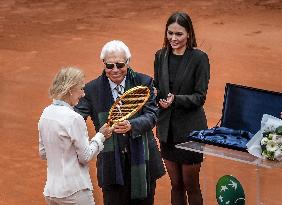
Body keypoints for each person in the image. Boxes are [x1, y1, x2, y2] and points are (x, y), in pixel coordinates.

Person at [74, 40, 165, 205]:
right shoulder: (92, 90)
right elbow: (75, 118)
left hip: (143, 162)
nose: (115, 70)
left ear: (128, 62)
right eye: (110, 66)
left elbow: (152, 115)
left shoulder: (144, 82)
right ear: (104, 64)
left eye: (120, 64)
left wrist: (133, 125)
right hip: (111, 165)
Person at [153, 12, 210, 205]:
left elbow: (199, 97)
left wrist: (175, 100)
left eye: (179, 34)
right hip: (167, 130)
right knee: (176, 184)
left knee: (191, 185)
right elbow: (159, 87)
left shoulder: (199, 58)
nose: (173, 38)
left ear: (188, 34)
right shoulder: (160, 56)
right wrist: (155, 94)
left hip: (190, 131)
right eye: (170, 33)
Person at [38, 67, 113, 205]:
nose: (83, 94)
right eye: (81, 89)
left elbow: (43, 153)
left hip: (51, 192)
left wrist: (64, 153)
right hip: (75, 192)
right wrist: (100, 136)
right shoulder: (74, 118)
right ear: (71, 90)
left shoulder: (46, 113)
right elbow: (85, 156)